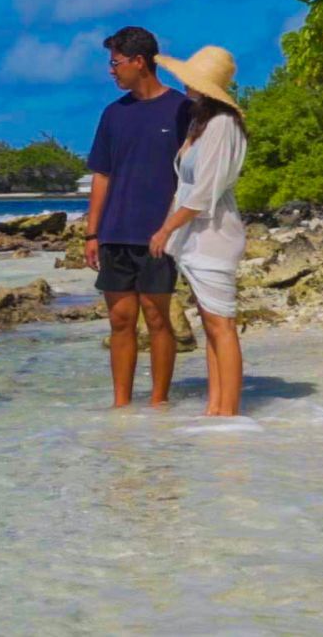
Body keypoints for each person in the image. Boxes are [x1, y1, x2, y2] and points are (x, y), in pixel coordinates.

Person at [85, 26, 192, 407]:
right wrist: (91, 233)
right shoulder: (113, 114)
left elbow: (192, 175)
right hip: (115, 232)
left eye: (115, 63)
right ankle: (121, 405)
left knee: (157, 317)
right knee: (120, 321)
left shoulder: (181, 108)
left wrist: (175, 226)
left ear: (139, 61)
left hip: (159, 234)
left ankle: (159, 401)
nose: (111, 71)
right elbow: (102, 174)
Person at [148, 47, 248, 416]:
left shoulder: (222, 124)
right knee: (211, 324)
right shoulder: (202, 122)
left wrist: (164, 230)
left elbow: (203, 193)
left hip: (213, 236)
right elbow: (187, 187)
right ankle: (216, 408)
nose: (185, 84)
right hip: (197, 237)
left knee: (222, 325)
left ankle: (230, 412)